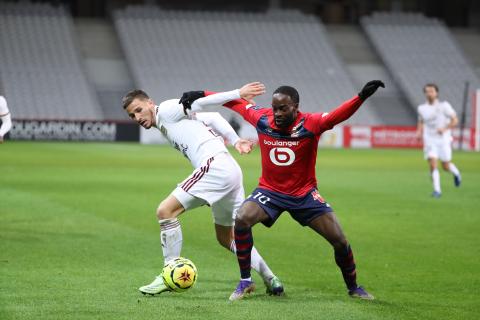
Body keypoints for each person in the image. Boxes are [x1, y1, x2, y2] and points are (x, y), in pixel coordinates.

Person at [180, 80, 385, 301]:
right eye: (275, 107)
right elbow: (234, 102)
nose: (276, 113)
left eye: (283, 108)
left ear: (296, 107)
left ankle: (354, 287)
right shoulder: (263, 118)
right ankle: (246, 281)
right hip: (270, 193)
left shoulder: (311, 123)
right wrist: (201, 94)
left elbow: (337, 115)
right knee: (241, 219)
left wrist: (361, 97)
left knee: (340, 241)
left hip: (304, 195)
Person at [122, 85, 282, 296]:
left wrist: (237, 94)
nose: (137, 117)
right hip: (230, 170)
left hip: (215, 168)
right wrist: (235, 140)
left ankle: (168, 273)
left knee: (165, 211)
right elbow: (214, 117)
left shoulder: (167, 110)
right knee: (227, 237)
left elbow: (200, 100)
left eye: (139, 110)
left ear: (150, 103)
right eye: (132, 115)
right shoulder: (166, 122)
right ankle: (271, 279)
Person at [416, 83, 462, 198]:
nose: (429, 93)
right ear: (425, 93)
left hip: (443, 140)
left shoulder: (444, 106)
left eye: (432, 91)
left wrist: (445, 128)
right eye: (427, 91)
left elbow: (455, 120)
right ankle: (437, 190)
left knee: (445, 166)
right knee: (432, 164)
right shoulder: (421, 108)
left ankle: (456, 173)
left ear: (436, 93)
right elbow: (421, 121)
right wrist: (419, 131)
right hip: (430, 139)